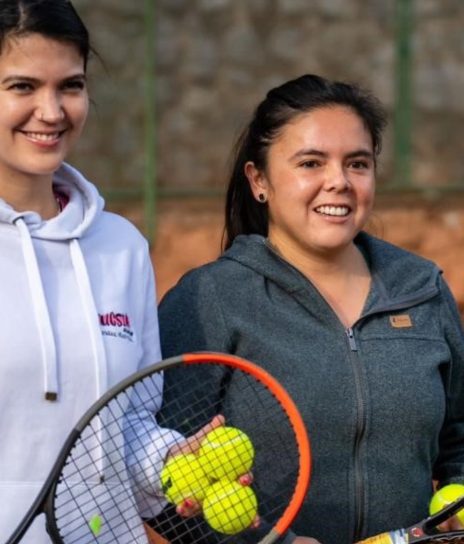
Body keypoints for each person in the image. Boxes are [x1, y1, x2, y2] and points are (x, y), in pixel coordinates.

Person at [158, 74, 464, 544]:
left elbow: (458, 439)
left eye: (357, 164)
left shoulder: (422, 288)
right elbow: (162, 483)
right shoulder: (209, 300)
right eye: (311, 162)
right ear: (259, 180)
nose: (338, 182)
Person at [0, 1, 166, 542]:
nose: (50, 112)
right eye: (22, 87)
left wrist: (173, 458)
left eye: (69, 86)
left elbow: (132, 426)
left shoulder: (121, 247)